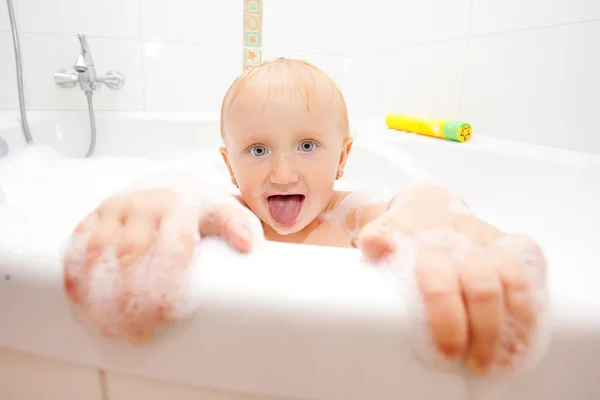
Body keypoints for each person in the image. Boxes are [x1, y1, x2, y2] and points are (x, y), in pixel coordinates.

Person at [62, 58, 548, 376]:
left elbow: (406, 208)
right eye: (257, 149)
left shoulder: (351, 216)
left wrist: (433, 209)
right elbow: (184, 203)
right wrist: (161, 196)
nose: (283, 171)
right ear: (230, 166)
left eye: (308, 145)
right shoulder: (228, 214)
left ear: (342, 159)